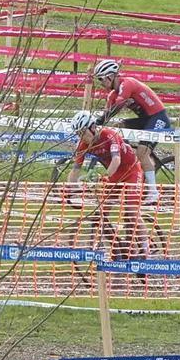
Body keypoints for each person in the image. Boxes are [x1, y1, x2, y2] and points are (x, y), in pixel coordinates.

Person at [91, 57, 180, 204]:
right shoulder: (112, 94)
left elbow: (116, 108)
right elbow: (107, 113)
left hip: (157, 117)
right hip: (145, 120)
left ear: (110, 76)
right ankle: (127, 154)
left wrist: (98, 122)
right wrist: (97, 125)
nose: (101, 83)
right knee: (119, 127)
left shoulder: (127, 83)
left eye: (101, 79)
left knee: (142, 152)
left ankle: (153, 193)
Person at [65, 109, 146, 258]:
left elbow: (116, 160)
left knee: (131, 211)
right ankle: (116, 247)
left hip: (132, 171)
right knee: (100, 214)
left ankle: (145, 250)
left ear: (93, 127)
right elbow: (75, 169)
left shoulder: (109, 135)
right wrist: (69, 188)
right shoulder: (82, 145)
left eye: (83, 132)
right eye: (78, 134)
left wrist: (102, 177)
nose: (81, 137)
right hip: (114, 175)